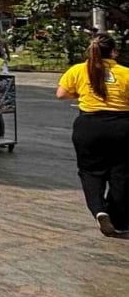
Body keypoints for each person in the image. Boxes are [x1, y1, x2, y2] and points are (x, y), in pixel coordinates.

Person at [56, 34, 129, 237]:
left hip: (89, 126)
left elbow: (61, 94)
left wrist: (81, 94)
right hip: (122, 127)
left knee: (90, 172)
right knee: (121, 174)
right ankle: (119, 219)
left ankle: (99, 209)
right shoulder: (125, 73)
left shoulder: (79, 70)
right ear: (113, 52)